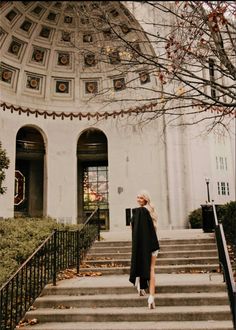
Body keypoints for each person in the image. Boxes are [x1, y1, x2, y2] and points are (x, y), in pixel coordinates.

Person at [129, 190, 160, 309]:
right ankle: (150, 296)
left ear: (145, 199)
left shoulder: (140, 211)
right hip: (153, 244)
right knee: (151, 268)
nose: (138, 199)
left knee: (142, 262)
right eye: (137, 197)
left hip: (144, 244)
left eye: (140, 198)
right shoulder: (151, 210)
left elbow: (133, 229)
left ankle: (142, 289)